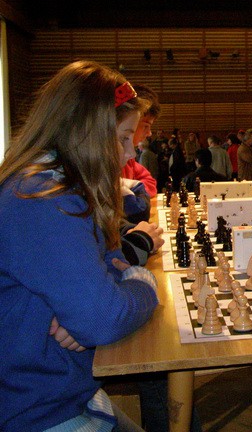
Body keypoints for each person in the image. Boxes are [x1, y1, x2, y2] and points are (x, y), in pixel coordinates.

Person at [0, 60, 159, 431]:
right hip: (37, 408)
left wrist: (88, 309)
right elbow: (104, 318)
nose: (131, 154)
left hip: (63, 390)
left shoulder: (61, 188)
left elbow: (111, 262)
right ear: (87, 133)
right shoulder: (42, 200)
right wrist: (144, 283)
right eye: (123, 138)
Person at [121, 84, 161, 197]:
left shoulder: (129, 158)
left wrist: (131, 187)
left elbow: (150, 182)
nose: (149, 133)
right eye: (146, 126)